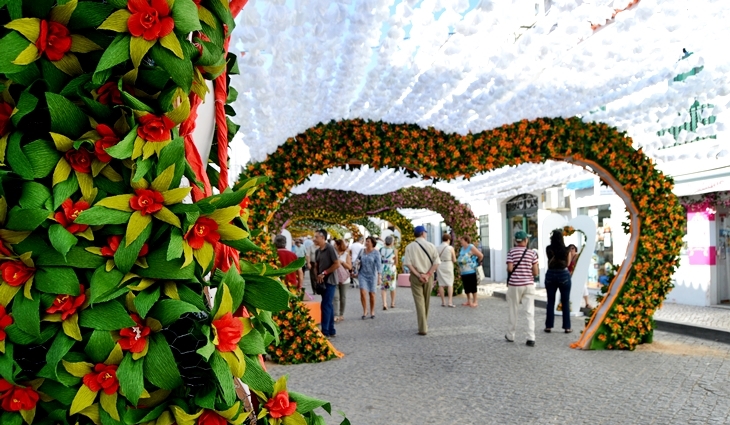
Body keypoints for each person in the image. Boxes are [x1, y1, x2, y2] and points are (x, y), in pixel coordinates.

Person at [403, 225, 440, 336]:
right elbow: (436, 263)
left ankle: (422, 327)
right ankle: (424, 324)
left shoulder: (409, 247)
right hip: (428, 276)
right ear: (423, 233)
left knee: (419, 301)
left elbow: (408, 264)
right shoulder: (431, 246)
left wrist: (419, 275)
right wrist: (428, 274)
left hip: (416, 276)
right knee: (426, 300)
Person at [505, 230, 539, 347]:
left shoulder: (511, 252)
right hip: (528, 285)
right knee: (529, 312)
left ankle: (511, 335)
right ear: (525, 240)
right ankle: (531, 337)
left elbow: (510, 268)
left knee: (513, 310)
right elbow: (535, 271)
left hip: (515, 285)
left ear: (515, 241)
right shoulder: (532, 253)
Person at [313, 229, 340, 338]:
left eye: (316, 237)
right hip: (322, 281)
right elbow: (317, 265)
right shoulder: (317, 251)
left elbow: (337, 264)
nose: (314, 239)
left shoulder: (330, 248)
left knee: (325, 304)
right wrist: (317, 276)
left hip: (330, 280)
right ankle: (331, 329)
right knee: (328, 304)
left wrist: (324, 273)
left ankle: (325, 331)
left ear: (323, 238)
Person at [545, 229, 572, 334]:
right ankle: (567, 327)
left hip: (551, 274)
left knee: (550, 301)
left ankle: (548, 326)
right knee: (565, 301)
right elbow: (568, 263)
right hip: (563, 275)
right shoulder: (566, 250)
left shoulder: (549, 249)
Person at [358, 236, 382, 319]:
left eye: (368, 241)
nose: (366, 242)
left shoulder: (376, 253)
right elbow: (357, 261)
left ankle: (372, 311)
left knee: (372, 294)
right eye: (366, 241)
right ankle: (365, 311)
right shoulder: (362, 251)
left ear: (372, 243)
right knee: (363, 292)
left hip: (372, 275)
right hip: (362, 274)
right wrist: (354, 270)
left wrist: (379, 277)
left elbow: (379, 265)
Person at [457, 235, 484, 308]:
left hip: (471, 271)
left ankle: (475, 301)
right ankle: (468, 300)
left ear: (466, 241)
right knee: (466, 287)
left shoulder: (471, 247)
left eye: (462, 240)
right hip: (463, 271)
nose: (461, 242)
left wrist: (475, 263)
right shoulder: (462, 248)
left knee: (472, 286)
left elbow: (480, 255)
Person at [567, 244, 593, 310]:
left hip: (577, 275)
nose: (571, 250)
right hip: (569, 275)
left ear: (575, 249)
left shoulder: (577, 256)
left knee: (583, 287)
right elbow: (568, 265)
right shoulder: (568, 257)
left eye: (573, 248)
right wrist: (569, 255)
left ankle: (587, 303)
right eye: (570, 248)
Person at [333, 239, 352, 323]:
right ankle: (336, 315)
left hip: (345, 279)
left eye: (335, 244)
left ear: (338, 245)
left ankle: (341, 314)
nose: (333, 246)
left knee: (343, 297)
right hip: (335, 278)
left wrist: (342, 262)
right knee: (336, 297)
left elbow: (349, 267)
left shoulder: (346, 254)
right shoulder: (333, 254)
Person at [436, 233, 457, 307]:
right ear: (448, 239)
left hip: (440, 265)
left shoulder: (437, 247)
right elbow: (454, 260)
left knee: (441, 284)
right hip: (448, 265)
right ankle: (450, 302)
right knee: (449, 284)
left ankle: (443, 302)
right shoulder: (450, 248)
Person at [379, 236, 398, 310]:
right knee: (392, 286)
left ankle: (384, 303)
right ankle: (392, 303)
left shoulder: (381, 249)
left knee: (384, 287)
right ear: (392, 242)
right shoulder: (394, 250)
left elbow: (379, 260)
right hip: (391, 268)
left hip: (383, 268)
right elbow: (396, 262)